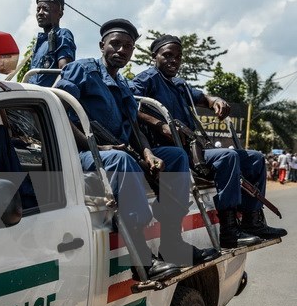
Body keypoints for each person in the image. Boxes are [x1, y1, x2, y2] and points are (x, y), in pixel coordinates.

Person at [56, 19, 217, 280]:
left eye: (128, 46)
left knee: (176, 156)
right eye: (115, 44)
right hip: (82, 153)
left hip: (118, 151)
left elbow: (134, 127)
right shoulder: (82, 70)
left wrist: (148, 153)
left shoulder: (122, 84)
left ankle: (172, 243)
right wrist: (97, 146)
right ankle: (142, 259)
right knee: (121, 160)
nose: (121, 50)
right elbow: (59, 110)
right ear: (102, 45)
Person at [131, 34, 287, 247]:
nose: (173, 60)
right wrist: (161, 125)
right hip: (168, 148)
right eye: (167, 55)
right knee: (227, 156)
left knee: (255, 158)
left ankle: (252, 222)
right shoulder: (146, 79)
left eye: (178, 56)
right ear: (154, 56)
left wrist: (216, 101)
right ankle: (229, 231)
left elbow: (204, 98)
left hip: (192, 147)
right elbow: (130, 105)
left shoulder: (180, 84)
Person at [27, 0, 76, 87]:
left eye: (45, 9)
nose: (40, 13)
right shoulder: (39, 44)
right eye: (38, 10)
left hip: (47, 95)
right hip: (32, 93)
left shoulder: (62, 34)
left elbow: (65, 71)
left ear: (60, 14)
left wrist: (51, 92)